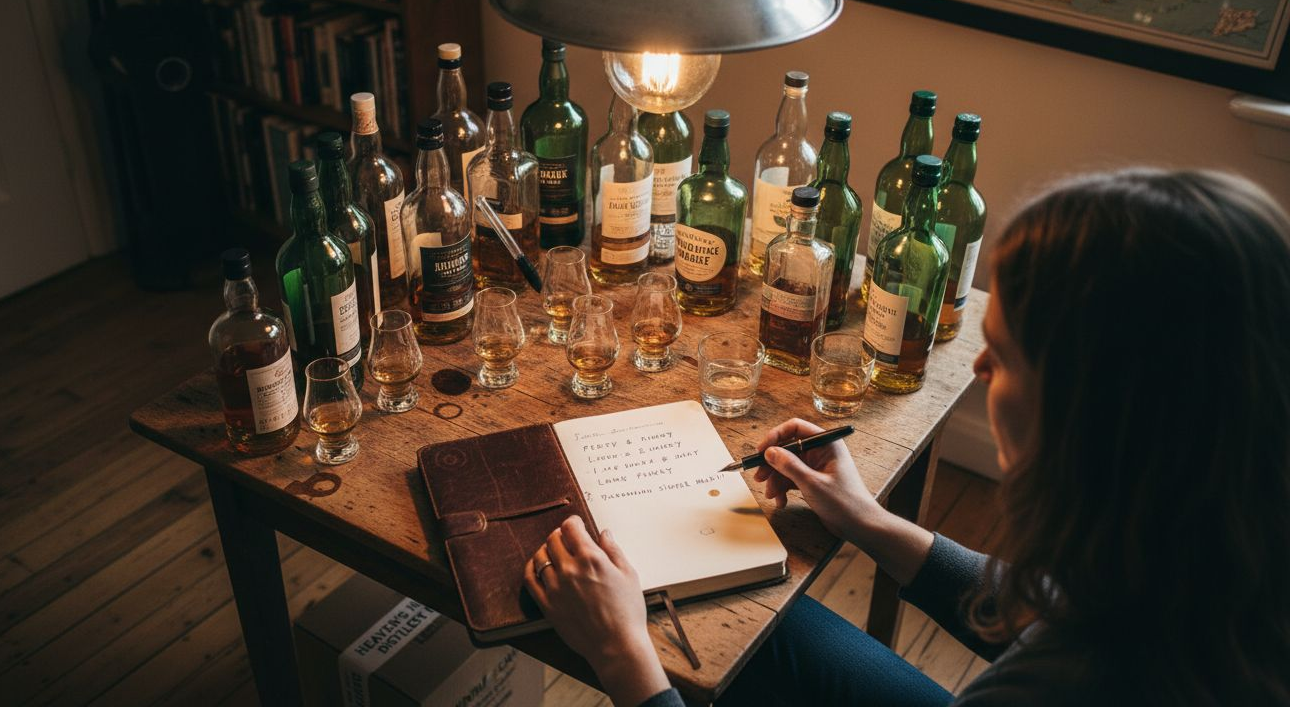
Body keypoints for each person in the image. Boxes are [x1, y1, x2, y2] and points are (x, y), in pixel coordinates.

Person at [521, 169, 1290, 706]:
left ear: (1099, 416)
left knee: (682, 642)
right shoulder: (1215, 554)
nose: (981, 367)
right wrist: (871, 522)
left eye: (1008, 353)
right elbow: (1059, 606)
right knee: (773, 627)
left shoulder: (1077, 687)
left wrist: (621, 660)